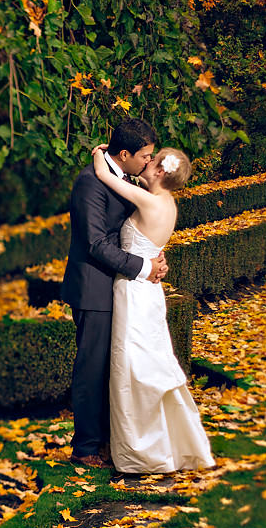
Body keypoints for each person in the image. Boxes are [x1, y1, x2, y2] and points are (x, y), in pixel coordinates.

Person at [91, 143, 215, 473]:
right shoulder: (167, 203)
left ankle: (140, 451)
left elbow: (103, 173)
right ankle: (154, 442)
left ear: (160, 171)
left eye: (151, 160)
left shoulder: (148, 200)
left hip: (133, 291)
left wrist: (99, 150)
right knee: (143, 361)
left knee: (131, 366)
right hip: (149, 290)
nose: (146, 162)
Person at [62, 118, 168, 468]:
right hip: (94, 288)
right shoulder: (89, 183)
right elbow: (95, 243)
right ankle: (85, 448)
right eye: (145, 156)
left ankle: (108, 440)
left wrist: (153, 255)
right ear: (124, 154)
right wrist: (142, 267)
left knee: (114, 368)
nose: (149, 164)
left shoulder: (123, 175)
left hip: (118, 287)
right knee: (91, 370)